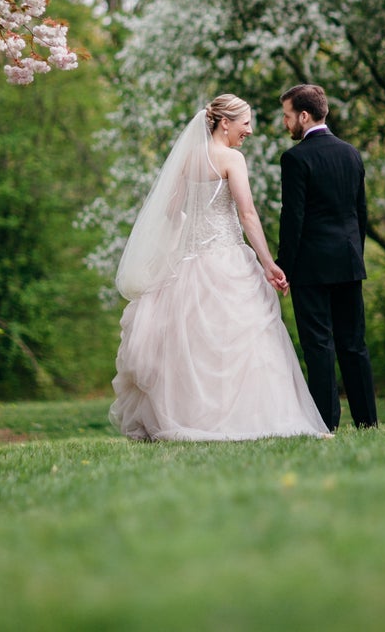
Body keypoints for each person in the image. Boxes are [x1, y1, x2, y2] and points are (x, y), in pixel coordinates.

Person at [109, 94, 330, 441]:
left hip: (189, 264)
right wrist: (268, 263)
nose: (250, 130)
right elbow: (247, 215)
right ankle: (249, 418)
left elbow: (171, 212)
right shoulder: (231, 159)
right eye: (245, 122)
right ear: (224, 123)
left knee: (193, 347)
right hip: (228, 260)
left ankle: (193, 418)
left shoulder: (187, 159)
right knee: (243, 342)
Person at [277, 84, 378, 432]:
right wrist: (355, 254)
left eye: (288, 117)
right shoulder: (351, 154)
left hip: (311, 267)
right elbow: (360, 214)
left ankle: (326, 425)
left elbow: (293, 218)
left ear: (304, 116)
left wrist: (283, 267)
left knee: (319, 345)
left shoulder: (295, 159)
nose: (286, 124)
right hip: (349, 261)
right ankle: (368, 422)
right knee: (354, 344)